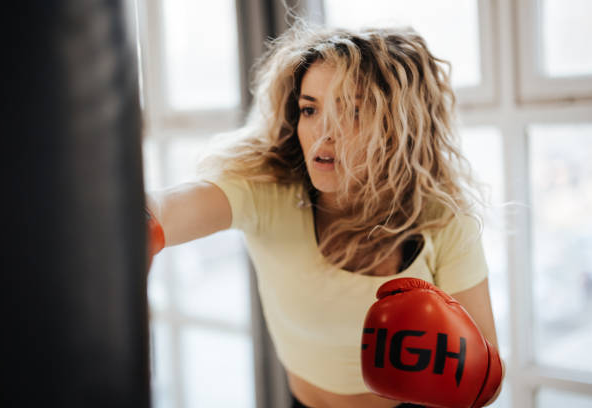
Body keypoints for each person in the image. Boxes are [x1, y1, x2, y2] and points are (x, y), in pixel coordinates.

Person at [145, 20, 504, 408]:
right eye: (310, 109)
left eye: (351, 110)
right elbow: (170, 207)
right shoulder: (267, 193)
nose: (323, 133)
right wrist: (136, 219)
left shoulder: (443, 219)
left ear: (396, 126)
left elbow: (487, 380)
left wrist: (450, 361)